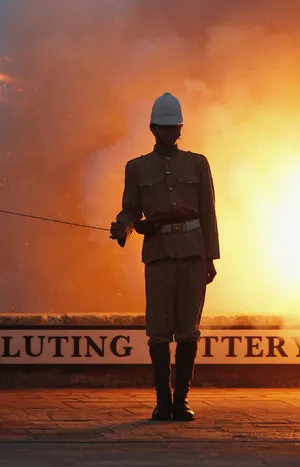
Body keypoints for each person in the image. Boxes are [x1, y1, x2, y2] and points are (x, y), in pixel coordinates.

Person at [109, 92, 220, 422]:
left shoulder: (198, 163)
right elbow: (130, 210)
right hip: (158, 254)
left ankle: (181, 401)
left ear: (181, 128)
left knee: (188, 329)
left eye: (175, 128)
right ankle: (162, 402)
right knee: (158, 330)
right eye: (165, 128)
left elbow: (208, 212)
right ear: (153, 128)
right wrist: (123, 228)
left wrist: (211, 258)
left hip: (192, 254)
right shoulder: (137, 168)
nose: (170, 133)